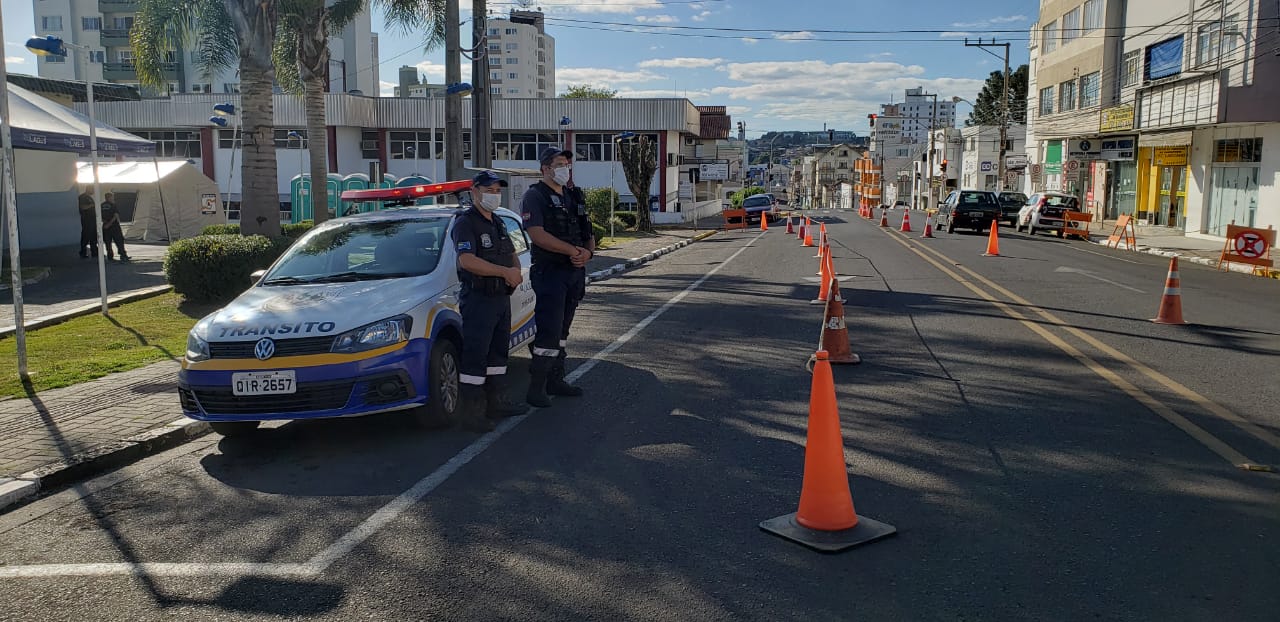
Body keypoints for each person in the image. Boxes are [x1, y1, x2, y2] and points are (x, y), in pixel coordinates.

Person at [451, 170, 527, 432]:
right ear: (474, 192)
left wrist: (515, 270)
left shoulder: (497, 221)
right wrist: (504, 272)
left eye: (497, 191)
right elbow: (467, 260)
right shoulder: (465, 222)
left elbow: (511, 251)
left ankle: (497, 402)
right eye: (489, 190)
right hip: (479, 298)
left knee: (497, 354)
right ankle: (472, 413)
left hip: (500, 298)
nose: (494, 195)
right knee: (475, 357)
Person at [521, 146, 595, 407]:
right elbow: (537, 234)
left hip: (574, 272)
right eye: (560, 164)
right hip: (550, 272)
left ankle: (556, 379)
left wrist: (587, 253)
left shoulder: (573, 195)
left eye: (567, 164)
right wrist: (571, 250)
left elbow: (588, 230)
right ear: (545, 169)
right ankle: (536, 387)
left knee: (563, 331)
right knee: (549, 331)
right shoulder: (535, 196)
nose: (566, 168)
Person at [100, 192, 130, 261]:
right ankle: (123, 255)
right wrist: (110, 223)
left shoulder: (101, 205)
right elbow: (116, 215)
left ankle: (110, 256)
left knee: (107, 242)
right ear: (110, 197)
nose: (113, 198)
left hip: (105, 226)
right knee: (119, 241)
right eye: (112, 197)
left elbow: (99, 216)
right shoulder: (113, 205)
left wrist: (105, 223)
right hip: (114, 226)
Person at [77, 190, 98, 259]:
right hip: (86, 220)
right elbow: (83, 207)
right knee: (86, 236)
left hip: (92, 219)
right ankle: (83, 252)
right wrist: (91, 205)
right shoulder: (83, 197)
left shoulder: (89, 197)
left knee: (93, 236)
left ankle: (95, 252)